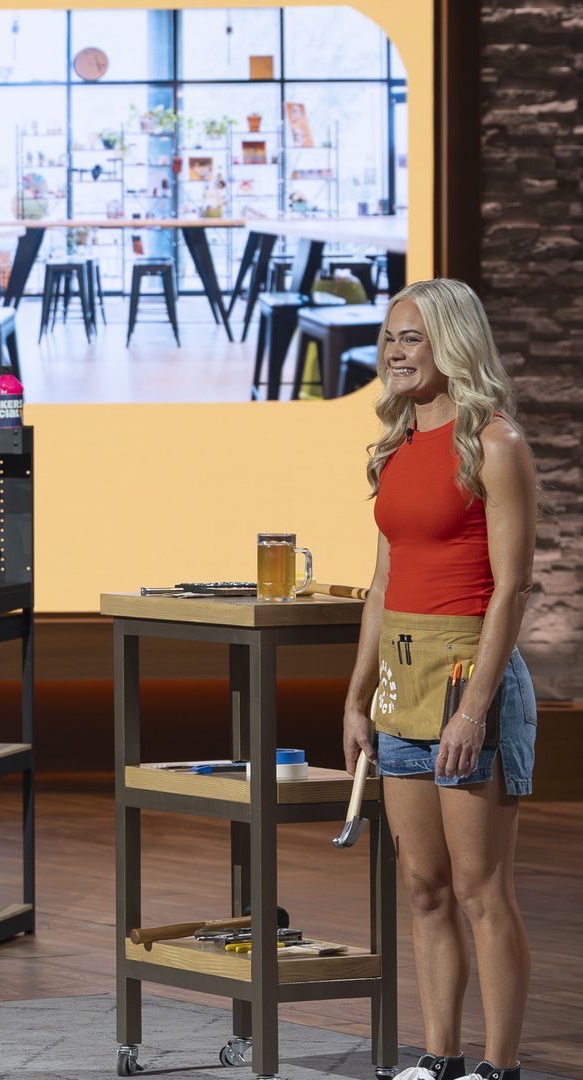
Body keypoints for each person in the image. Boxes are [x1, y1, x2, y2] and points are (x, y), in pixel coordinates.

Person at [342, 279, 539, 1080]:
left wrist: (476, 708)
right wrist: (358, 697)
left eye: (413, 338)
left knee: (478, 888)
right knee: (422, 888)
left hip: (469, 680)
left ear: (452, 345)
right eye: (390, 337)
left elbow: (513, 585)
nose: (396, 352)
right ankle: (440, 1059)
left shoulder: (495, 443)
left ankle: (500, 1066)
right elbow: (384, 586)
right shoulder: (393, 451)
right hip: (402, 680)